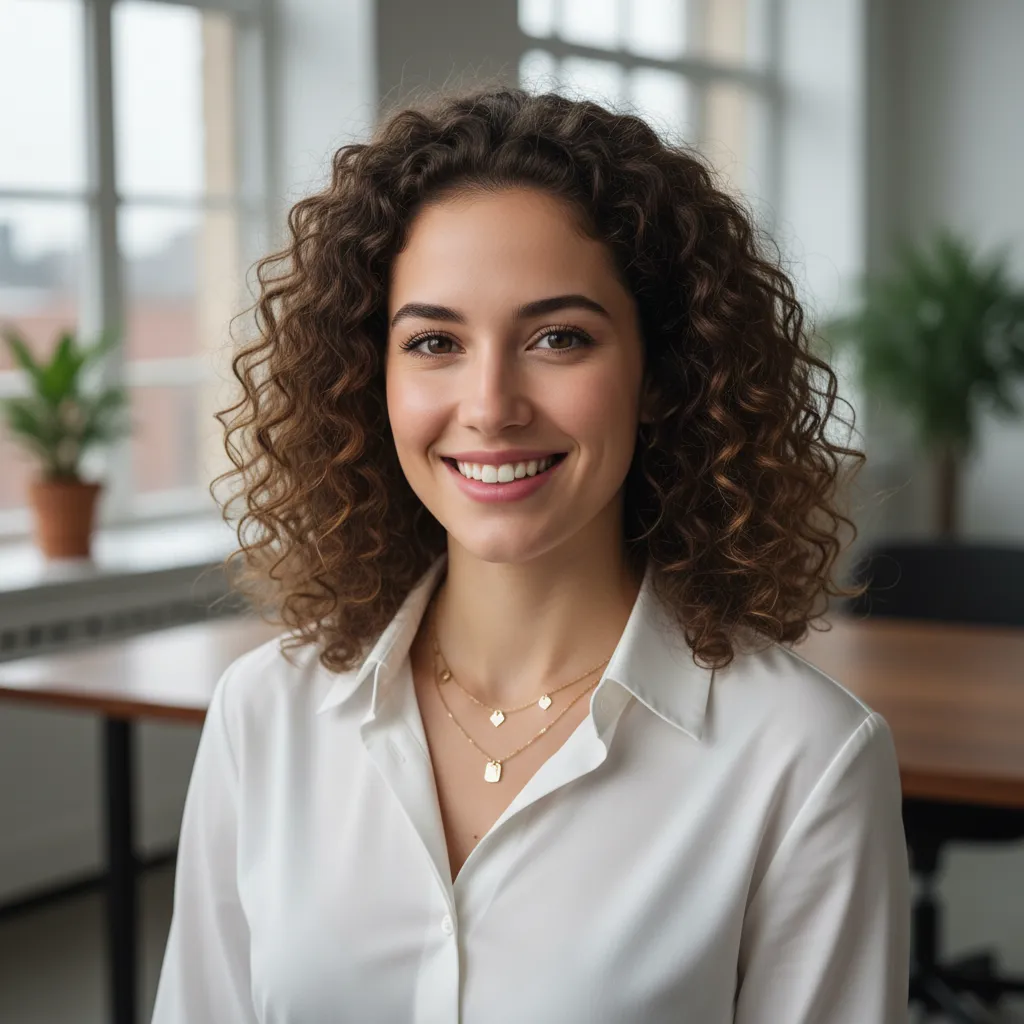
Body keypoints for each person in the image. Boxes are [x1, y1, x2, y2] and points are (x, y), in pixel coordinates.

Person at [151, 87, 910, 1023]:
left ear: (663, 372)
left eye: (559, 337)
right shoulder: (264, 715)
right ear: (369, 378)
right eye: (434, 341)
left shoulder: (805, 760)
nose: (490, 404)